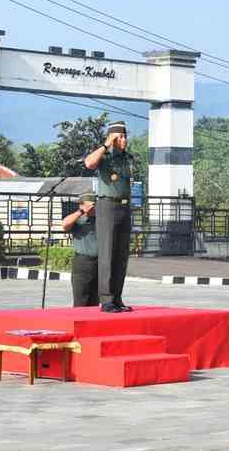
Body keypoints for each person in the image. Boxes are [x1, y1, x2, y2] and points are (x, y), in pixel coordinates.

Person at [84, 121, 135, 313]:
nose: (124, 140)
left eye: (125, 137)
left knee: (121, 255)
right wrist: (106, 144)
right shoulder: (103, 156)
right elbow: (89, 163)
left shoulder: (127, 158)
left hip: (124, 206)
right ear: (112, 139)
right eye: (120, 137)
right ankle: (106, 300)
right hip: (107, 206)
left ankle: (117, 297)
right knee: (107, 253)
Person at [61, 193, 99, 307]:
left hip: (100, 263)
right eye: (89, 206)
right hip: (83, 263)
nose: (92, 208)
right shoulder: (78, 219)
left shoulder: (100, 219)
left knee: (95, 300)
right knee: (81, 298)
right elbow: (64, 224)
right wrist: (81, 212)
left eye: (94, 205)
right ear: (81, 205)